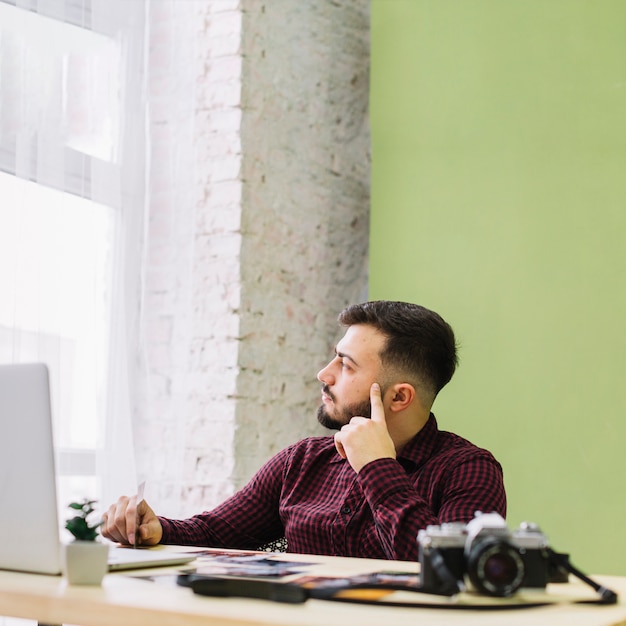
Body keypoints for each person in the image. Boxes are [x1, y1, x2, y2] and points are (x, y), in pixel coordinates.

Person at [101, 300, 506, 561]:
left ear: (399, 398)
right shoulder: (303, 461)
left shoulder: (469, 471)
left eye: (346, 366)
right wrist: (157, 528)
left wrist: (378, 467)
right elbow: (216, 533)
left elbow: (451, 573)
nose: (323, 374)